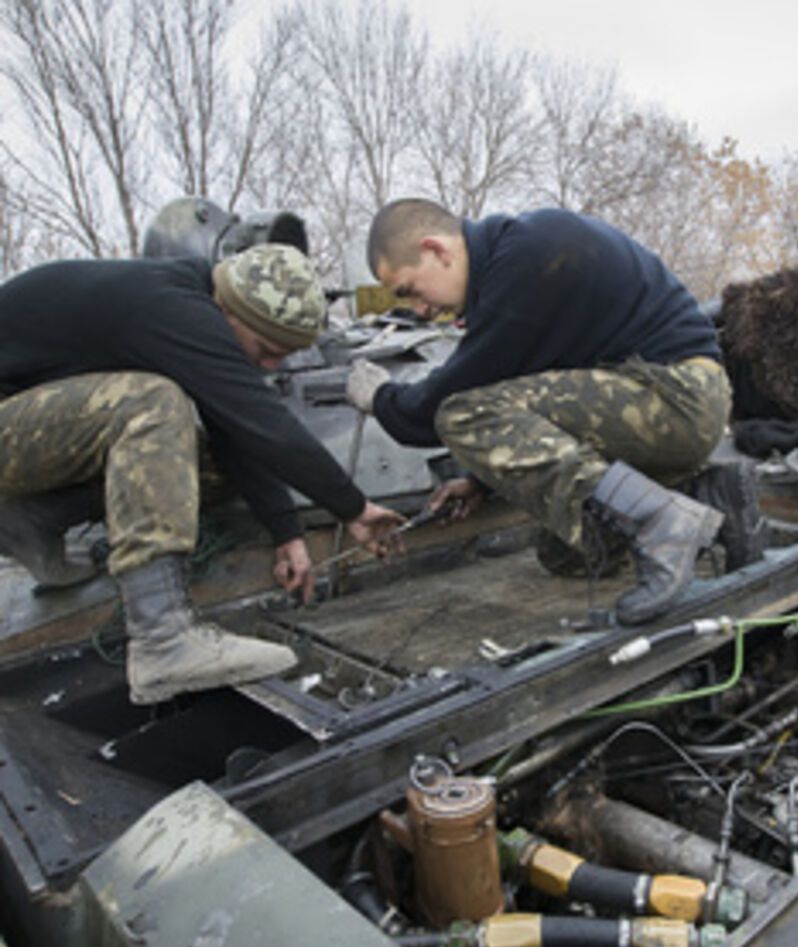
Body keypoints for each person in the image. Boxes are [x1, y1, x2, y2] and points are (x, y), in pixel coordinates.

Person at [0, 244, 405, 704]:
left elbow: (233, 426)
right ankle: (163, 640)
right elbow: (263, 420)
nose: (270, 367)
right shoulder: (172, 309)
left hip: (21, 428)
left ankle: (29, 522)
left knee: (200, 460)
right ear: (230, 312)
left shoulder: (192, 294)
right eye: (266, 350)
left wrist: (285, 531)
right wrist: (353, 506)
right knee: (151, 404)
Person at [347, 199, 734, 626]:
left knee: (460, 414)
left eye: (410, 290)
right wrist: (481, 479)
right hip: (663, 405)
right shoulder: (518, 262)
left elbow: (445, 403)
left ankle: (658, 520)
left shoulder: (527, 256)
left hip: (677, 396)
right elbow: (538, 393)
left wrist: (380, 397)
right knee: (570, 553)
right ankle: (710, 499)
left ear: (437, 250)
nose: (419, 310)